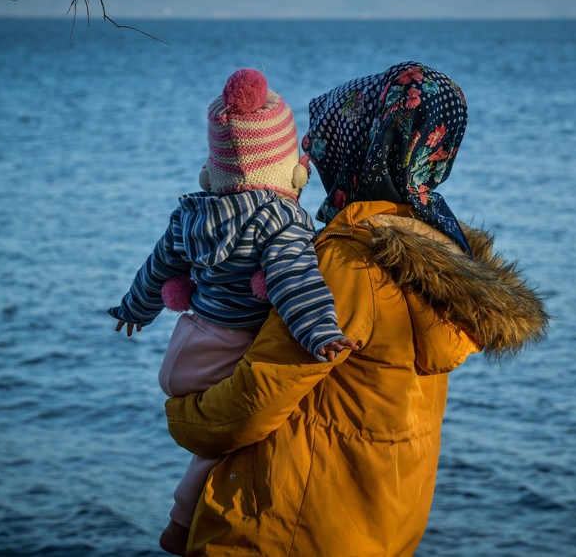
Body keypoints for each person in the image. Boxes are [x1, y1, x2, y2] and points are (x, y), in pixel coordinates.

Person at [165, 61, 549, 556]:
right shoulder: (437, 249)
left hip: (284, 531)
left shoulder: (347, 259)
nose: (315, 151)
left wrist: (181, 416)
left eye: (333, 136)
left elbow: (252, 404)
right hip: (376, 528)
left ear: (368, 144)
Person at [107, 69, 357, 554]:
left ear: (213, 169)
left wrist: (134, 307)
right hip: (229, 349)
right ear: (290, 169)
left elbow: (159, 266)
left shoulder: (191, 213)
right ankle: (181, 523)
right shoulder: (280, 222)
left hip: (188, 343)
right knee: (230, 444)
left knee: (221, 441)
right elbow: (294, 281)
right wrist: (322, 332)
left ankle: (186, 520)